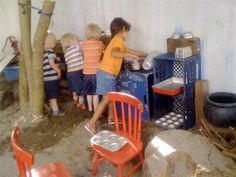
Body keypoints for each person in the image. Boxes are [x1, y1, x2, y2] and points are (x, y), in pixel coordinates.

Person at [85, 17, 147, 135]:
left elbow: (133, 51)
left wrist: (147, 54)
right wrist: (130, 55)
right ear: (123, 29)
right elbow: (115, 53)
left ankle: (111, 119)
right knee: (107, 99)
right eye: (127, 31)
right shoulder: (117, 40)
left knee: (110, 98)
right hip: (106, 74)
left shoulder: (117, 41)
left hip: (107, 74)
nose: (127, 34)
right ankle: (91, 123)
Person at [81, 24, 105, 112]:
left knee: (88, 92)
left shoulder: (83, 45)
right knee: (96, 93)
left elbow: (82, 50)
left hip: (86, 73)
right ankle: (96, 109)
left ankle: (90, 108)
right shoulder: (100, 44)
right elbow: (103, 50)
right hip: (96, 72)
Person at [61, 33, 86, 109]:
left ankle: (75, 99)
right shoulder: (76, 47)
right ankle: (81, 102)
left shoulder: (66, 52)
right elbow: (84, 43)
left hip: (70, 73)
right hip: (78, 71)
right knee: (80, 88)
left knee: (73, 88)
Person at [43, 33, 65, 116]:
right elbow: (51, 63)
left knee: (50, 95)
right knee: (53, 95)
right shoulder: (51, 52)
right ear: (50, 42)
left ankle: (53, 108)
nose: (55, 43)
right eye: (54, 41)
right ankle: (56, 111)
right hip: (51, 78)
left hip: (46, 78)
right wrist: (58, 70)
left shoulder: (44, 54)